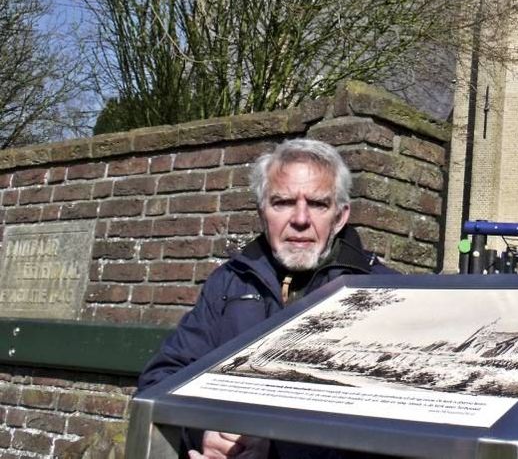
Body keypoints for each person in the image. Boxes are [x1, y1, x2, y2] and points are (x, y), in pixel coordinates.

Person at [139, 138, 391, 459]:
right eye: (283, 202)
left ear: (340, 217)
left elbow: (400, 426)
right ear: (262, 212)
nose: (300, 218)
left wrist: (274, 447)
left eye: (317, 204)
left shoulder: (381, 292)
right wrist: (202, 432)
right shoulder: (228, 283)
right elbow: (161, 380)